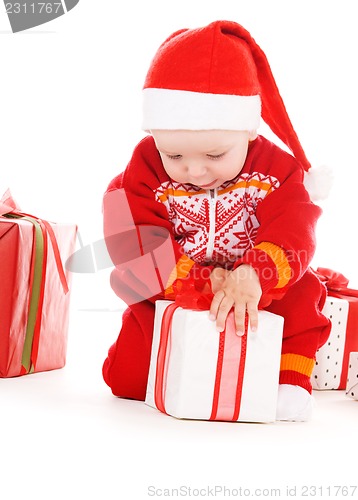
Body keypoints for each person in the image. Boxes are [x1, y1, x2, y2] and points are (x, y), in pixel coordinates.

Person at [102, 20, 331, 421]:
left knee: (301, 296)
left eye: (214, 155)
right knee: (127, 379)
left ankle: (290, 377)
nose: (195, 171)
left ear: (248, 131)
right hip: (176, 287)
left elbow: (296, 223)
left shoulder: (276, 170)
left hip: (260, 287)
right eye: (174, 156)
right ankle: (162, 366)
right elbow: (133, 236)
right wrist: (200, 282)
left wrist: (254, 272)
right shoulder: (143, 169)